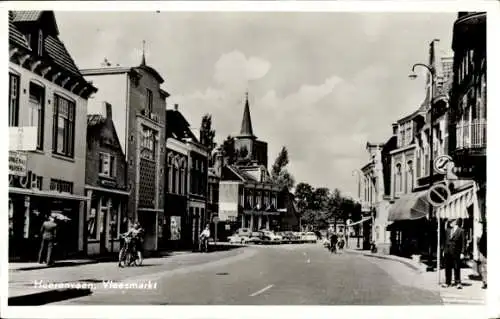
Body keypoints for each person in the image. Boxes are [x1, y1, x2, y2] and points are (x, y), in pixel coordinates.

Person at [442, 218, 466, 289]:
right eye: (449, 222)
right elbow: (445, 241)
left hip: (456, 252)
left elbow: (463, 243)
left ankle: (457, 282)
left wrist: (462, 252)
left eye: (451, 222)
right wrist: (444, 250)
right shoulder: (448, 230)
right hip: (447, 251)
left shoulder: (461, 231)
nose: (449, 223)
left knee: (456, 267)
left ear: (455, 222)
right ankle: (447, 282)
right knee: (447, 267)